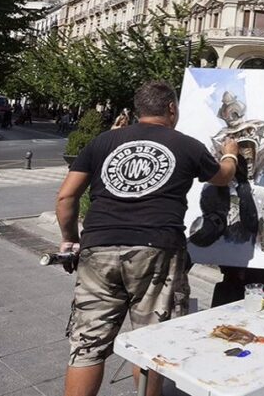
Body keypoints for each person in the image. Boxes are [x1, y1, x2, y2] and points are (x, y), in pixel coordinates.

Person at [55, 80, 239, 396]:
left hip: (98, 246)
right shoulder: (186, 145)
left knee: (87, 346)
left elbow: (65, 198)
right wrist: (231, 155)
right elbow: (222, 178)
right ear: (171, 108)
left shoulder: (103, 142)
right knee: (152, 344)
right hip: (157, 249)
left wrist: (70, 239)